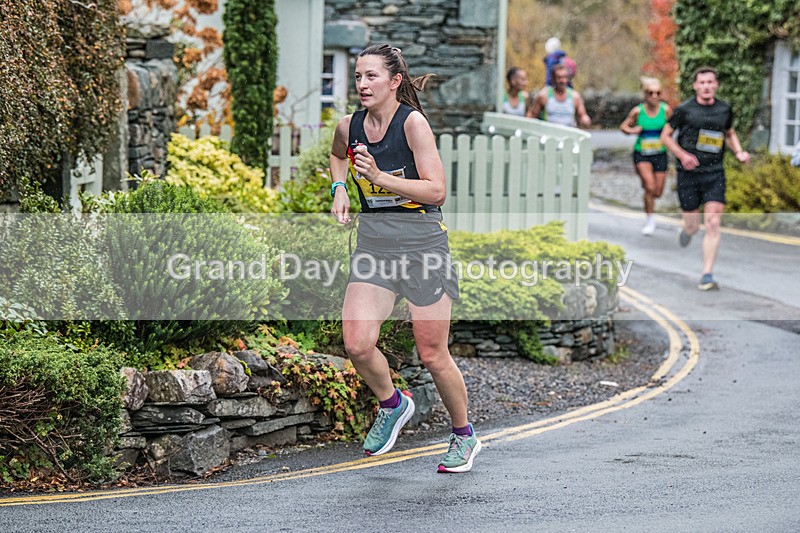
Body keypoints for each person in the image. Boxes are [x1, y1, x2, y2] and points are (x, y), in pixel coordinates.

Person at [329, 44, 480, 473]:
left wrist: (378, 177)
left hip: (422, 248)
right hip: (375, 246)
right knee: (357, 344)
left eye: (372, 76)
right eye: (358, 76)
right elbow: (337, 156)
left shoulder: (412, 124)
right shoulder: (349, 126)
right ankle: (393, 403)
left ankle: (464, 434)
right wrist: (340, 189)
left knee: (432, 354)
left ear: (395, 81)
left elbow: (437, 191)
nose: (362, 84)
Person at [660, 66, 750, 291]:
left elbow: (729, 133)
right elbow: (665, 136)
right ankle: (687, 230)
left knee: (713, 223)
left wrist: (739, 152)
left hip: (714, 173)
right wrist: (682, 155)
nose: (706, 86)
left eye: (710, 82)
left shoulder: (724, 109)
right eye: (702, 83)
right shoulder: (684, 110)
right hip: (688, 175)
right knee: (693, 226)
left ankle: (707, 274)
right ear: (695, 86)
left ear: (716, 85)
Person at [620, 77, 673, 235]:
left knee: (657, 192)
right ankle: (649, 220)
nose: (654, 96)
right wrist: (633, 130)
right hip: (642, 154)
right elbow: (623, 126)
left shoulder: (666, 110)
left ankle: (648, 196)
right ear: (645, 94)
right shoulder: (638, 111)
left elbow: (674, 126)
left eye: (658, 93)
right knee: (650, 186)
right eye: (651, 93)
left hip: (660, 153)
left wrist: (666, 135)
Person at [527, 63, 591, 128]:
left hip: (569, 132)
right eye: (559, 77)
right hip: (548, 132)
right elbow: (532, 116)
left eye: (565, 77)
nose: (563, 81)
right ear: (553, 79)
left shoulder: (575, 97)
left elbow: (582, 115)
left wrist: (585, 119)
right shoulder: (543, 96)